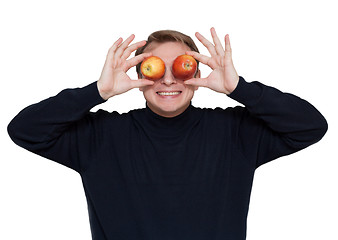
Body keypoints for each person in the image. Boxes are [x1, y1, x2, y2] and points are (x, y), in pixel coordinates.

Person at [7, 27, 328, 240]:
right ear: (138, 76)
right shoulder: (101, 137)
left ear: (199, 74)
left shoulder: (234, 132)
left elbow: (310, 126)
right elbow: (24, 130)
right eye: (157, 68)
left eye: (182, 67)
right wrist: (97, 91)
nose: (170, 80)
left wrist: (238, 88)